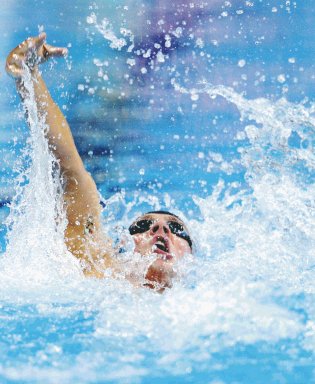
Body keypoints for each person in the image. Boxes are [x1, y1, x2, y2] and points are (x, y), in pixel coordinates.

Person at [5, 33, 193, 291]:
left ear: (192, 259)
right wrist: (29, 77)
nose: (160, 229)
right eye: (143, 225)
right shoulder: (94, 271)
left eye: (177, 229)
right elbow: (69, 166)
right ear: (121, 247)